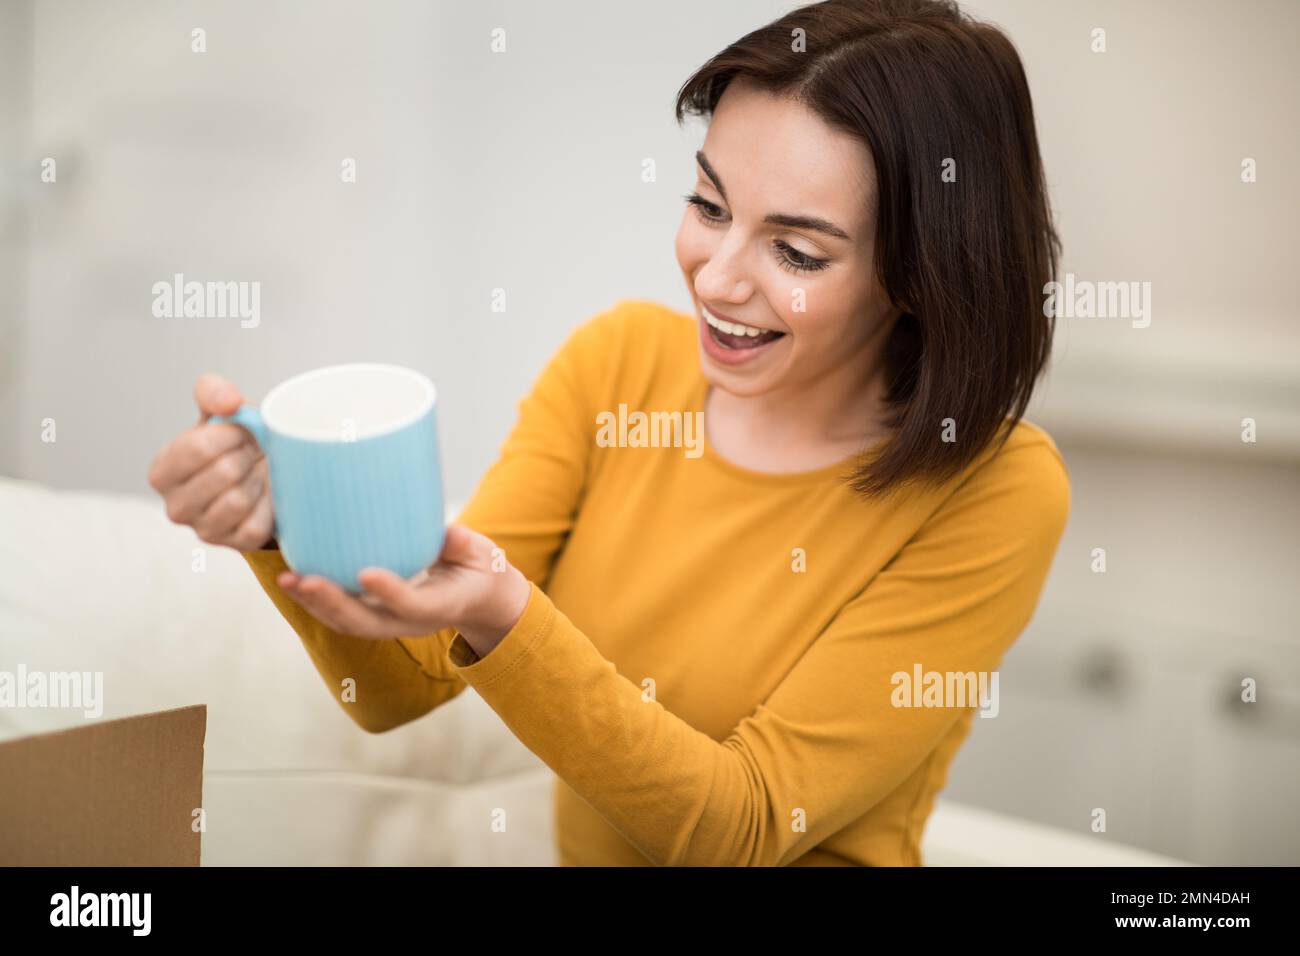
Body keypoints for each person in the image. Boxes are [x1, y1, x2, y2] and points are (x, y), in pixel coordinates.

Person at [147, 0, 1070, 866]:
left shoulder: (997, 488)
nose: (715, 279)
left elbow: (741, 827)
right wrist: (280, 522)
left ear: (923, 273)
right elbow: (398, 688)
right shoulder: (617, 364)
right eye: (709, 207)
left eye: (795, 250)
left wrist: (505, 614)